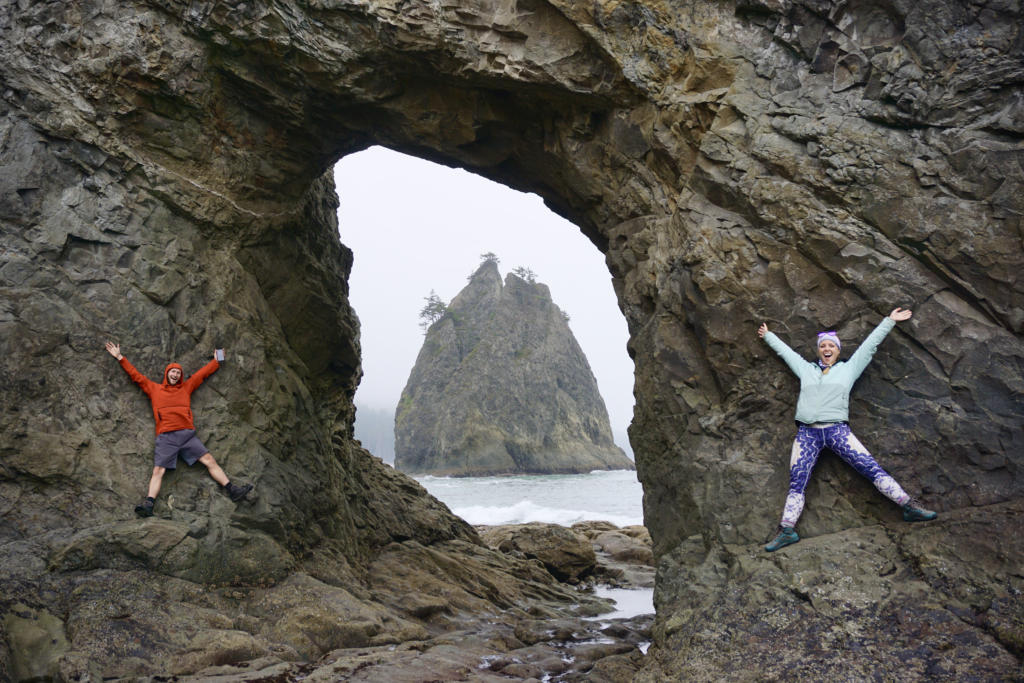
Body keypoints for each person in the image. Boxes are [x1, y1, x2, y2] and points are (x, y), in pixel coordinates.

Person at [758, 308, 936, 552]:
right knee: (797, 482)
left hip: (837, 430)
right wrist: (769, 336)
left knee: (870, 468)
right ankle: (787, 531)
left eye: (831, 345)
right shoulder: (806, 370)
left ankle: (909, 506)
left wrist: (889, 321)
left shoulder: (849, 369)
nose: (827, 349)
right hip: (807, 434)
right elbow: (786, 353)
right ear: (819, 350)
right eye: (823, 346)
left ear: (838, 350)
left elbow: (869, 346)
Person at [105, 341, 252, 517]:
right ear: (167, 374)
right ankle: (148, 504)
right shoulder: (154, 389)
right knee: (158, 470)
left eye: (178, 372)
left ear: (180, 376)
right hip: (166, 436)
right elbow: (136, 376)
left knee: (209, 460)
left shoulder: (185, 388)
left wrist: (218, 360)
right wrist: (120, 357)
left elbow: (202, 375)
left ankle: (232, 490)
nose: (175, 374)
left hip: (187, 435)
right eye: (172, 372)